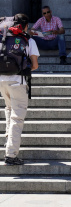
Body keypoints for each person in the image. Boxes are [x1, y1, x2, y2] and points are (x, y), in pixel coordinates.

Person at [1, 14, 39, 165]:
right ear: (25, 26)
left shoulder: (3, 39)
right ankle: (11, 155)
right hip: (18, 82)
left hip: (1, 81)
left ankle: (8, 141)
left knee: (9, 108)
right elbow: (35, 66)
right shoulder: (28, 40)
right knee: (17, 117)